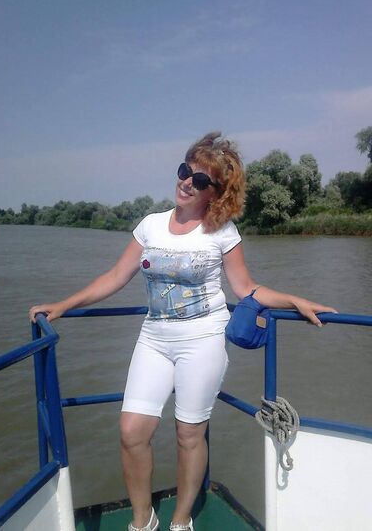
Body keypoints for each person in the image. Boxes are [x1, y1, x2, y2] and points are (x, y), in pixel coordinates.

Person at [29, 132, 337, 531]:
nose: (187, 182)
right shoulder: (150, 226)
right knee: (131, 432)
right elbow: (115, 276)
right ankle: (143, 520)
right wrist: (63, 305)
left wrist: (295, 301)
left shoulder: (222, 231)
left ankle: (180, 520)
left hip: (203, 340)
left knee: (189, 434)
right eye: (184, 172)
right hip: (154, 338)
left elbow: (245, 288)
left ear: (215, 193)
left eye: (200, 180)